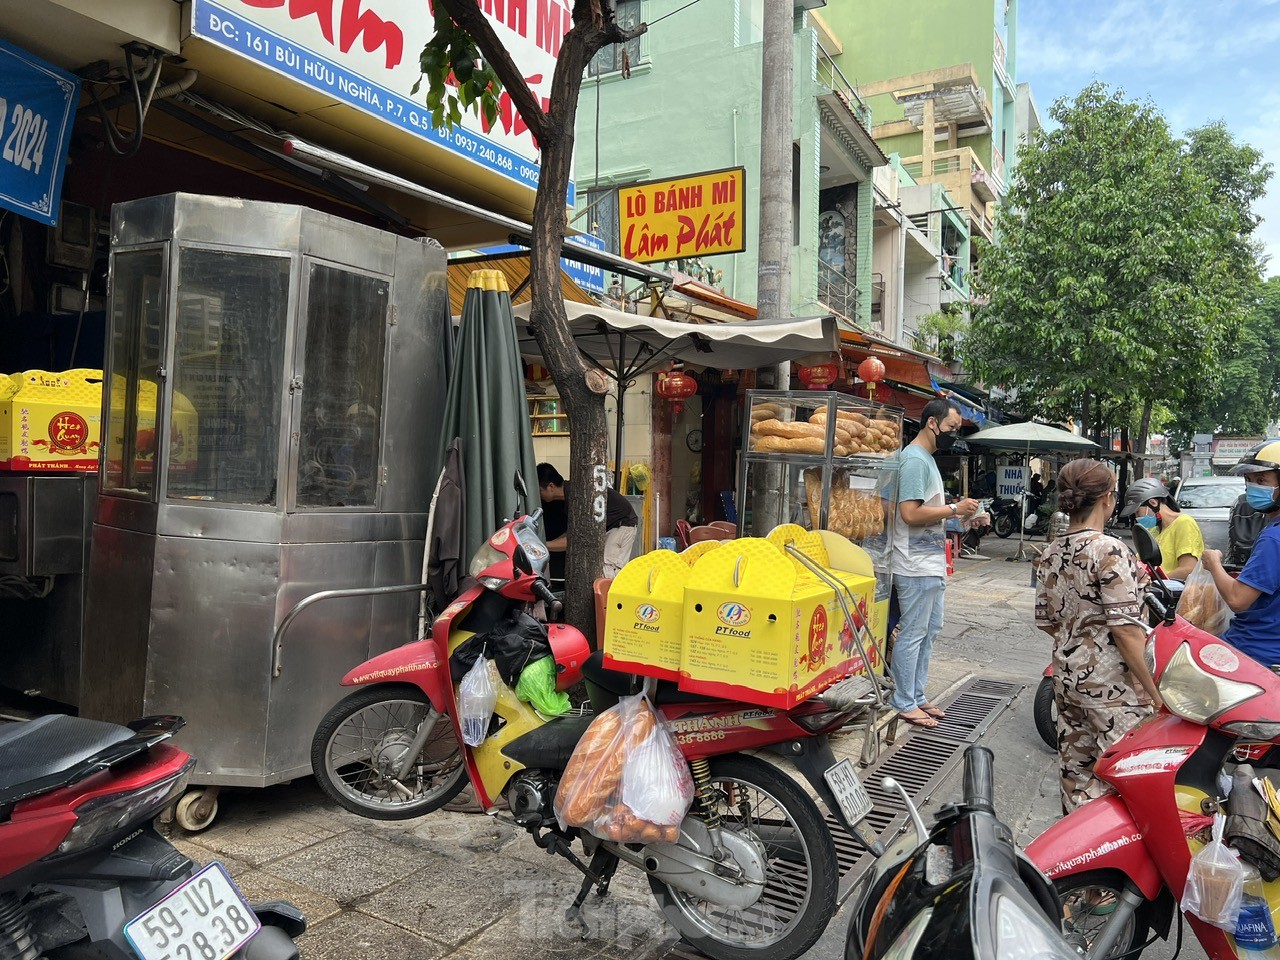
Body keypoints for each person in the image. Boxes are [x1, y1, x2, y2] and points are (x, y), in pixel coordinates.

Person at [1035, 459, 1162, 813]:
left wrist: (1080, 638)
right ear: (1108, 498)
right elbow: (1126, 630)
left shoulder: (1052, 550)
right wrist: (1154, 693)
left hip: (1067, 678)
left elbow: (1047, 621)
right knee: (1126, 782)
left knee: (1076, 777)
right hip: (1114, 688)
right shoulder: (1109, 549)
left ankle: (1076, 856)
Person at [888, 399, 979, 729]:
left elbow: (928, 514)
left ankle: (916, 694)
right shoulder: (913, 460)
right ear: (931, 423)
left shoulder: (925, 460)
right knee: (913, 632)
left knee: (929, 630)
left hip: (928, 562)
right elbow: (910, 514)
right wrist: (956, 509)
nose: (953, 435)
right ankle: (903, 700)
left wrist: (962, 519)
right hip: (914, 564)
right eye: (951, 428)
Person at [1201, 442, 1280, 666]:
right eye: (1249, 480)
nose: (1251, 488)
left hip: (1256, 652)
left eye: (1262, 481)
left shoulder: (1273, 538)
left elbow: (1238, 600)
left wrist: (1213, 563)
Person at [537, 463, 638, 579]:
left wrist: (542, 546)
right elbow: (573, 533)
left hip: (621, 525)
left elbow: (576, 539)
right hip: (608, 527)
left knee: (608, 571)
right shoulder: (570, 494)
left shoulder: (578, 496)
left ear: (550, 486)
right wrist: (546, 544)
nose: (539, 495)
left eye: (540, 490)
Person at [1118, 477, 1204, 580]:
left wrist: (1154, 581)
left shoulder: (1184, 523)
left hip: (1175, 593)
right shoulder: (1154, 531)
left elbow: (1188, 569)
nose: (1137, 518)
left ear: (1153, 503)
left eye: (1137, 512)